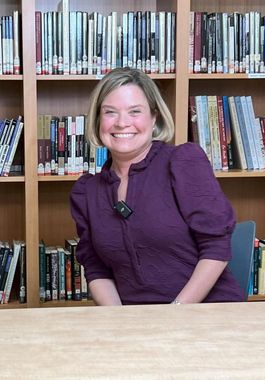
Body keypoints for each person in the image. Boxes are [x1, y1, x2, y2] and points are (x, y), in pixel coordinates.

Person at [70, 67, 244, 305]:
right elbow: (96, 267)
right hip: (135, 325)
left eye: (134, 112)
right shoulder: (87, 192)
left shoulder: (182, 162)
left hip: (205, 315)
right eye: (110, 112)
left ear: (154, 118)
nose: (122, 123)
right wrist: (119, 323)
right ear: (98, 120)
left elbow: (216, 248)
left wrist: (172, 316)